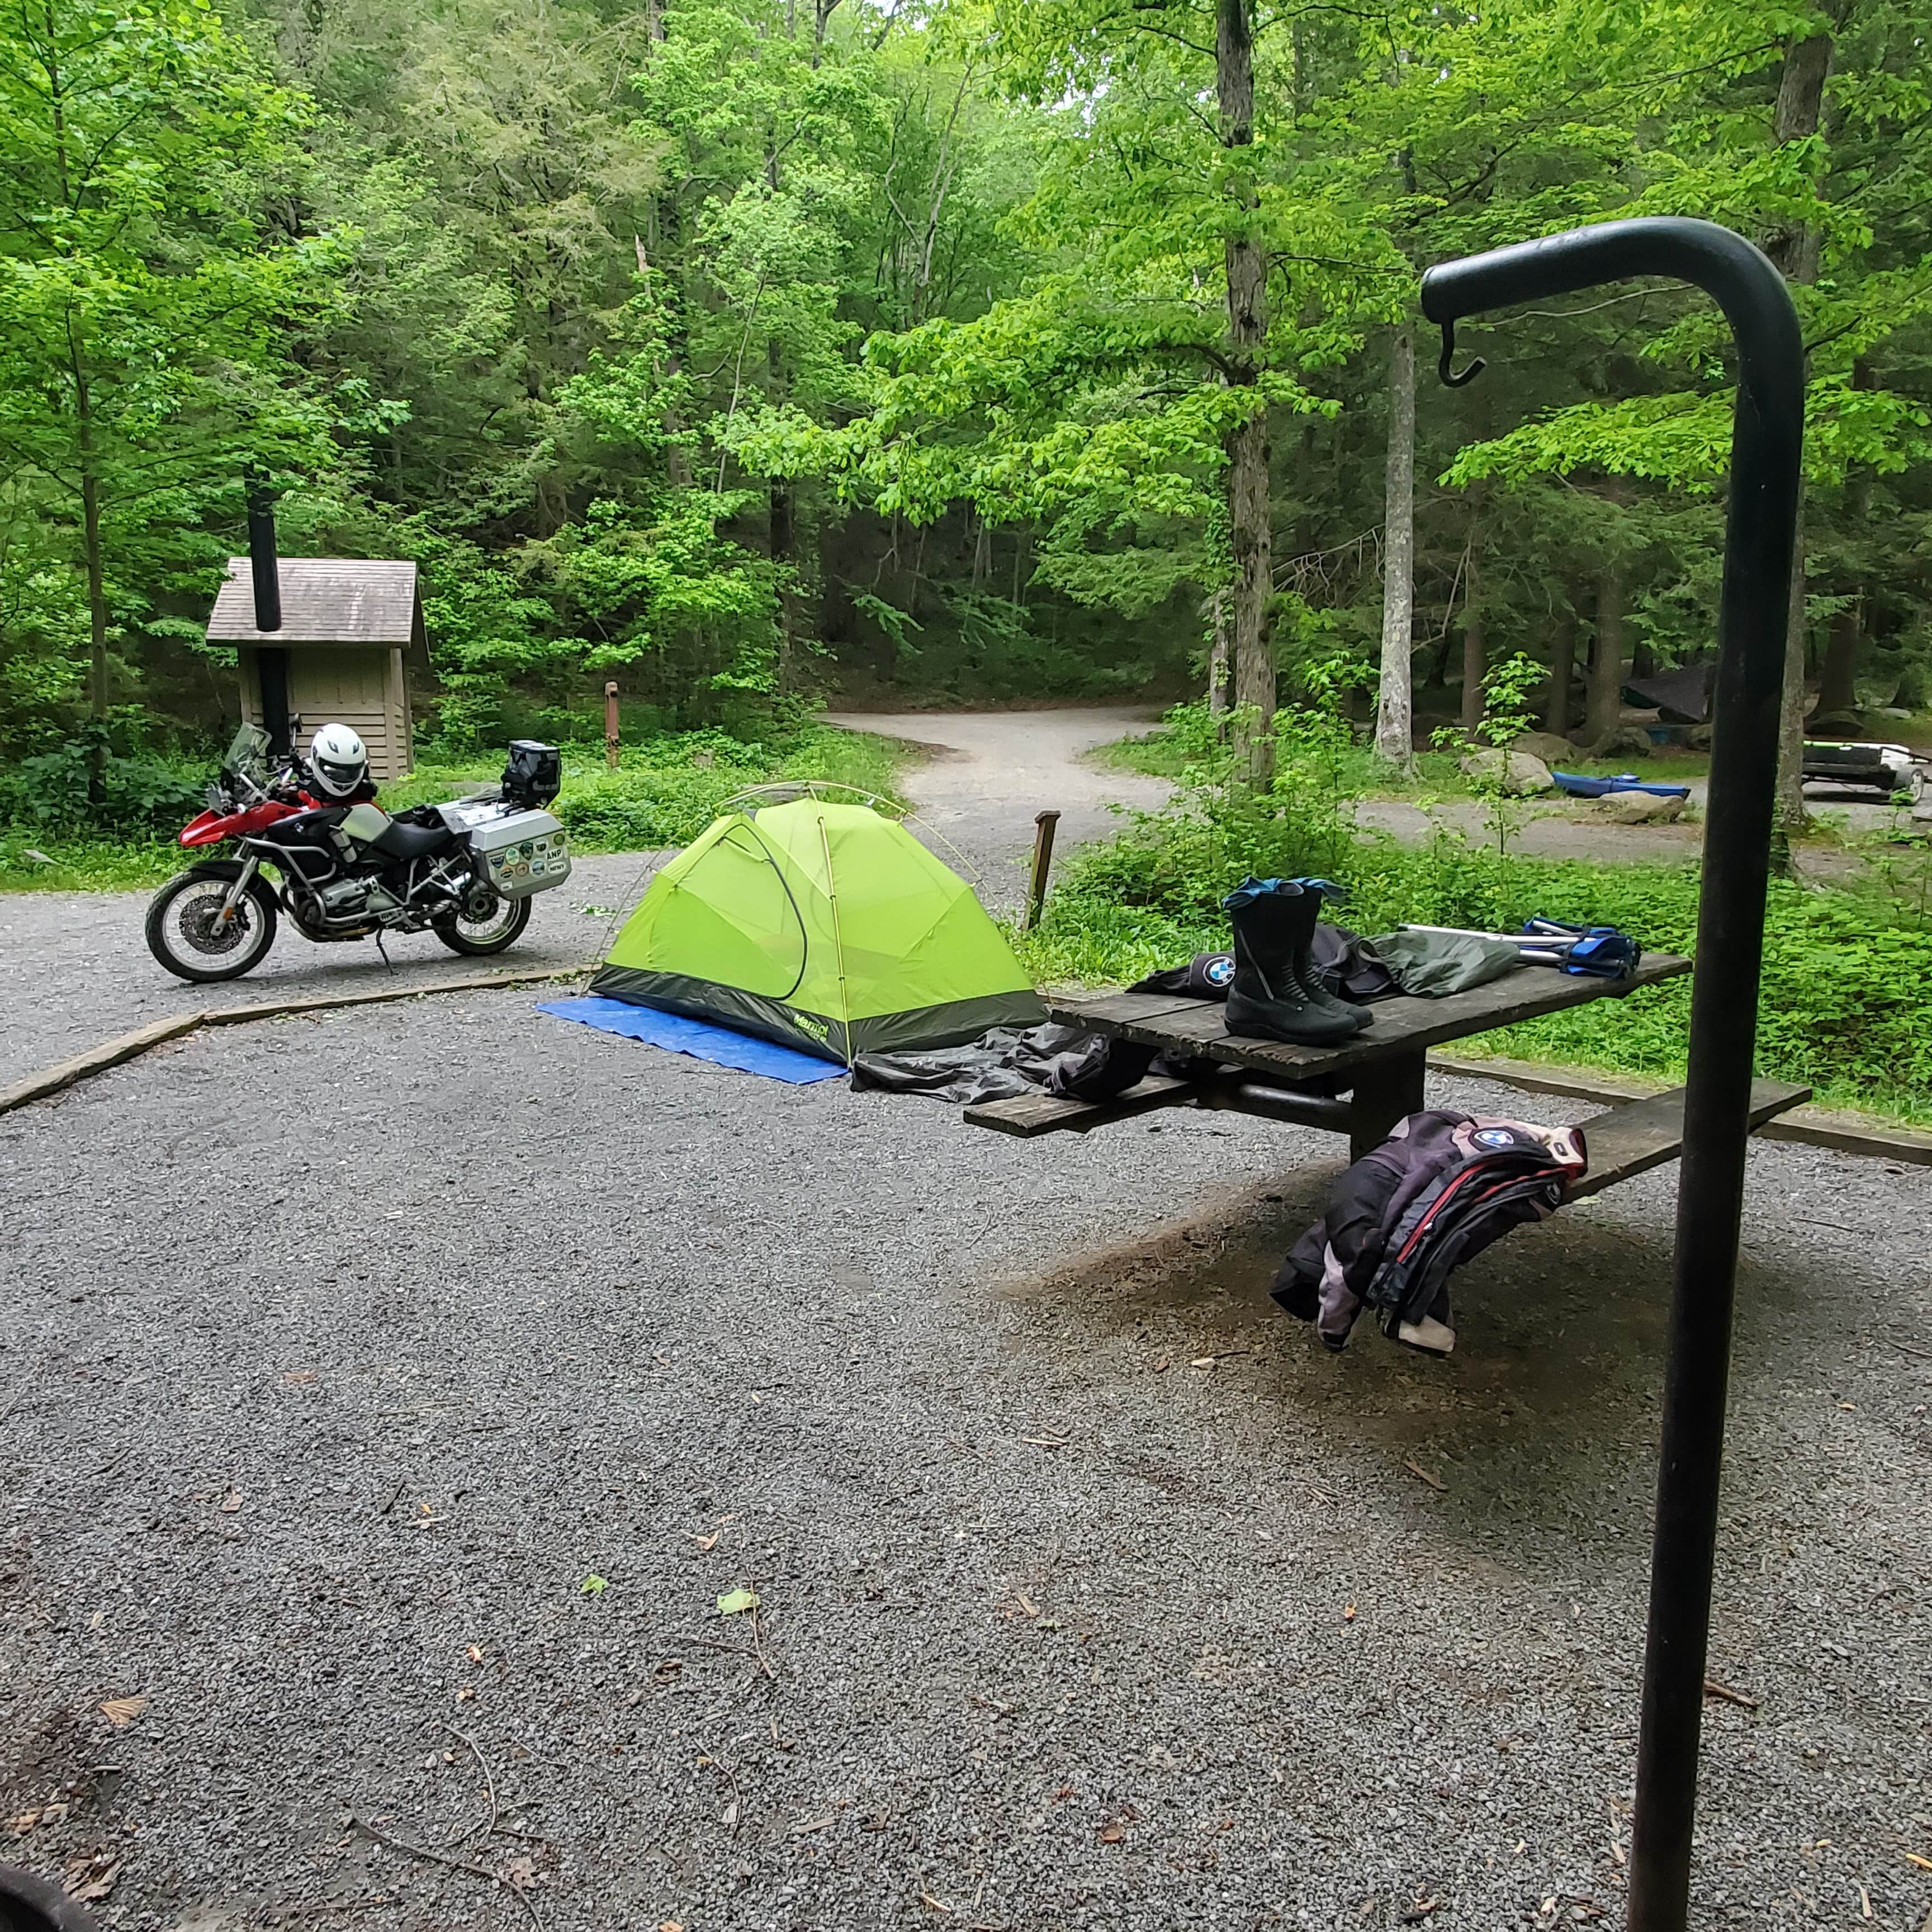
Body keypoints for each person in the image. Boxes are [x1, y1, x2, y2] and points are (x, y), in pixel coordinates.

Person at [304, 722, 379, 805]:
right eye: (334, 772)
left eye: (351, 772)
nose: (344, 778)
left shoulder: (364, 788)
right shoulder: (305, 775)